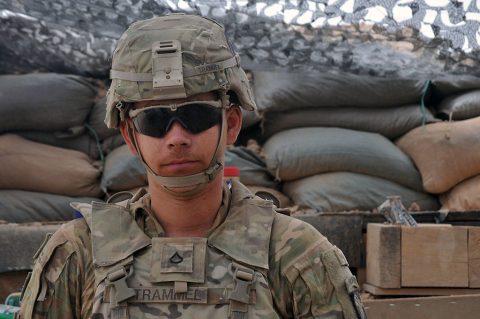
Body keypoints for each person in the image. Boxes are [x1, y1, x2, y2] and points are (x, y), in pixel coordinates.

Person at [19, 14, 366, 319]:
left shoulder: (296, 253)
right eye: (154, 120)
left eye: (195, 116)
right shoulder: (78, 252)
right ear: (130, 135)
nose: (177, 137)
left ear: (230, 125)